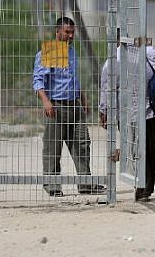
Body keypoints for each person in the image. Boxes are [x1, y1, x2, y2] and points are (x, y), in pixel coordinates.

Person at [33, 17, 105, 197]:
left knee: (82, 143)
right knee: (53, 147)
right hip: (56, 107)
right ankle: (52, 184)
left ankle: (85, 183)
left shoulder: (71, 51)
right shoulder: (50, 51)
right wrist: (46, 101)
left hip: (74, 106)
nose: (71, 35)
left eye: (73, 32)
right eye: (67, 32)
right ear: (58, 32)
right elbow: (38, 80)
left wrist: (83, 99)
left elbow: (72, 79)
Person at [98, 40, 155, 202]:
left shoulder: (113, 59)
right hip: (152, 112)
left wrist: (104, 111)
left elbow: (106, 87)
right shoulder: (153, 53)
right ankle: (145, 188)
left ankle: (138, 182)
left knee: (132, 148)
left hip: (126, 113)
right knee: (150, 149)